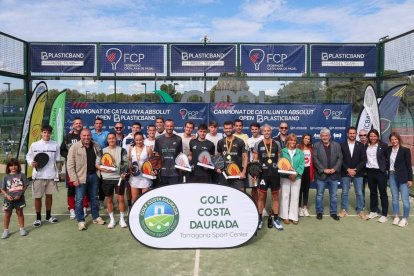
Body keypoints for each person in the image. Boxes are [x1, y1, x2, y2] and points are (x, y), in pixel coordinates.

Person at [67, 128, 106, 231]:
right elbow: (70, 165)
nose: (86, 137)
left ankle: (96, 217)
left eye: (88, 135)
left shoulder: (96, 145)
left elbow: (101, 159)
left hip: (94, 176)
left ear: (90, 136)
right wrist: (74, 178)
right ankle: (81, 221)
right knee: (79, 200)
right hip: (80, 178)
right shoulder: (74, 147)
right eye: (84, 136)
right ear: (80, 136)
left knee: (94, 198)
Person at [26, 124, 60, 227]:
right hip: (38, 176)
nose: (46, 134)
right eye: (44, 132)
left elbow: (57, 160)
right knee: (38, 197)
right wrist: (31, 162)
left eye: (48, 132)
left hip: (51, 175)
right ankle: (38, 218)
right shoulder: (34, 145)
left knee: (49, 196)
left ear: (51, 133)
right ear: (41, 133)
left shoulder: (55, 145)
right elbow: (29, 156)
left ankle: (48, 216)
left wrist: (58, 171)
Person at [253, 124, 283, 230]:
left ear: (271, 131)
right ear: (262, 132)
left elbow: (280, 158)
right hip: (263, 175)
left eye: (268, 131)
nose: (266, 132)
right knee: (261, 197)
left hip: (275, 174)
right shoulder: (258, 144)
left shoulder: (277, 143)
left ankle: (276, 219)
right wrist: (255, 173)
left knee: (275, 197)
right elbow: (255, 160)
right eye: (264, 131)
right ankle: (260, 219)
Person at [96, 133, 128, 229]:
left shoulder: (122, 150)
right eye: (109, 138)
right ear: (107, 140)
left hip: (119, 178)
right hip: (107, 179)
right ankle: (112, 220)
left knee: (121, 199)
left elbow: (125, 163)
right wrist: (103, 169)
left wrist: (121, 171)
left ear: (116, 139)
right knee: (109, 199)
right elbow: (97, 164)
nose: (111, 140)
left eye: (113, 138)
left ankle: (122, 219)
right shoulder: (102, 151)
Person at [60, 117, 88, 220]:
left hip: (83, 167)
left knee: (84, 188)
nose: (78, 125)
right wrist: (70, 156)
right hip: (71, 167)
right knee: (71, 189)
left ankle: (84, 207)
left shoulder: (86, 136)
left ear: (82, 124)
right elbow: (62, 150)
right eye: (76, 123)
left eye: (80, 123)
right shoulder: (67, 137)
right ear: (73, 125)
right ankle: (72, 209)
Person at [313, 127, 342, 221]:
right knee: (319, 195)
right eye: (322, 136)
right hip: (322, 175)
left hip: (333, 175)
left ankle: (333, 212)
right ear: (320, 136)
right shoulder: (316, 145)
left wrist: (335, 169)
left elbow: (340, 158)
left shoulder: (337, 145)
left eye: (326, 135)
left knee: (333, 195)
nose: (324, 137)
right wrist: (323, 170)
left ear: (329, 136)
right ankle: (319, 212)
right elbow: (315, 159)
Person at [339, 127, 368, 220]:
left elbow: (364, 160)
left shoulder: (361, 145)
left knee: (359, 192)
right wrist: (348, 169)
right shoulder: (342, 145)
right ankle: (344, 209)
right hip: (345, 172)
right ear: (347, 134)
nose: (352, 135)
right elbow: (340, 159)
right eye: (350, 133)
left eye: (354, 133)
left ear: (356, 134)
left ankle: (360, 210)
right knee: (344, 192)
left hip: (358, 173)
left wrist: (355, 170)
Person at [387, 132, 412, 227]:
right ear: (390, 141)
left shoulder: (405, 150)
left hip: (403, 177)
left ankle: (405, 218)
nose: (394, 141)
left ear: (399, 139)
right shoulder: (388, 150)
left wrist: (410, 179)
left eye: (395, 139)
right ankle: (396, 216)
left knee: (405, 199)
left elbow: (408, 166)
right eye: (392, 139)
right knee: (395, 198)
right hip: (392, 176)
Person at [279, 134, 305, 225]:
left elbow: (302, 165)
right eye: (291, 140)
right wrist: (288, 173)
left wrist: (295, 174)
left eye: (294, 140)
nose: (293, 142)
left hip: (296, 178)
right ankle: (284, 216)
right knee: (284, 196)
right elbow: (280, 164)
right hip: (285, 177)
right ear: (287, 141)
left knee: (295, 197)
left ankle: (294, 217)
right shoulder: (283, 151)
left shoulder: (300, 152)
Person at [1, 159, 28, 238]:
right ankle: (6, 230)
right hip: (8, 199)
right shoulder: (6, 177)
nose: (13, 167)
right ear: (8, 167)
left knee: (20, 213)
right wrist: (7, 195)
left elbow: (26, 185)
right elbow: (2, 189)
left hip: (19, 199)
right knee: (7, 214)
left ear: (18, 166)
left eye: (15, 165)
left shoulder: (21, 175)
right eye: (11, 165)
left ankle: (22, 229)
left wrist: (21, 194)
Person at [366, 129, 389, 223]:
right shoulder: (366, 146)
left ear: (377, 137)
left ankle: (384, 214)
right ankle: (374, 210)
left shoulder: (383, 145)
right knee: (373, 192)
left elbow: (388, 158)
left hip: (380, 172)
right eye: (371, 136)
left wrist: (384, 169)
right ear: (369, 137)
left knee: (383, 193)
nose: (373, 138)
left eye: (374, 136)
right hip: (370, 172)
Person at [217, 121, 247, 191]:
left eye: (230, 128)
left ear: (233, 128)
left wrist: (243, 172)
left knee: (240, 194)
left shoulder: (240, 141)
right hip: (224, 174)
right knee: (225, 194)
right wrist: (218, 167)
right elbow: (218, 156)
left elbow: (245, 157)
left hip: (238, 173)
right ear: (223, 129)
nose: (228, 130)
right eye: (226, 128)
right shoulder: (220, 142)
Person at [154, 119, 183, 185]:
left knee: (174, 194)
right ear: (164, 126)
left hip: (175, 173)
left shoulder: (178, 139)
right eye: (167, 126)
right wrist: (155, 168)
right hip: (162, 173)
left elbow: (180, 154)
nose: (169, 128)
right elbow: (156, 155)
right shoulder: (158, 139)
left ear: (173, 127)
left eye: (171, 126)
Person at [91, 117, 109, 209]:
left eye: (100, 123)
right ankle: (92, 201)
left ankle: (101, 201)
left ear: (102, 125)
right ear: (94, 125)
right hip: (91, 161)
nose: (98, 125)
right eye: (97, 123)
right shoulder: (89, 133)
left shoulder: (106, 134)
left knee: (101, 182)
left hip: (102, 161)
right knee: (92, 182)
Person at [129, 132, 153, 201]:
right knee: (134, 198)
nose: (138, 142)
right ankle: (134, 211)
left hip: (145, 176)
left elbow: (151, 162)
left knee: (145, 198)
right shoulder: (131, 148)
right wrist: (130, 169)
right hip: (134, 176)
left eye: (140, 140)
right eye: (137, 140)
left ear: (143, 139)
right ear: (134, 140)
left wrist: (151, 171)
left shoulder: (148, 148)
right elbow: (130, 161)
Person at [297, 133, 314, 217]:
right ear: (303, 139)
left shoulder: (311, 149)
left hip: (308, 170)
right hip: (300, 171)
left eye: (308, 139)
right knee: (299, 190)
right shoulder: (298, 147)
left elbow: (312, 162)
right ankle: (299, 208)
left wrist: (312, 174)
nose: (307, 140)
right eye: (305, 138)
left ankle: (305, 208)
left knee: (306, 190)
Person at [247, 123, 263, 206]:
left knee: (262, 188)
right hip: (252, 167)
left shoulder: (263, 138)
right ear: (250, 130)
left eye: (256, 129)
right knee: (254, 188)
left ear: (259, 129)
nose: (254, 131)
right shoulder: (248, 140)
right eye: (252, 129)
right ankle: (255, 206)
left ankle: (262, 208)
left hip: (263, 166)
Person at [358, 129, 369, 210]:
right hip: (360, 171)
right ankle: (362, 205)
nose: (363, 137)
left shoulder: (372, 144)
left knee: (373, 190)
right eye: (361, 135)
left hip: (371, 171)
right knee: (360, 190)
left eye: (364, 135)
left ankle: (374, 207)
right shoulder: (357, 145)